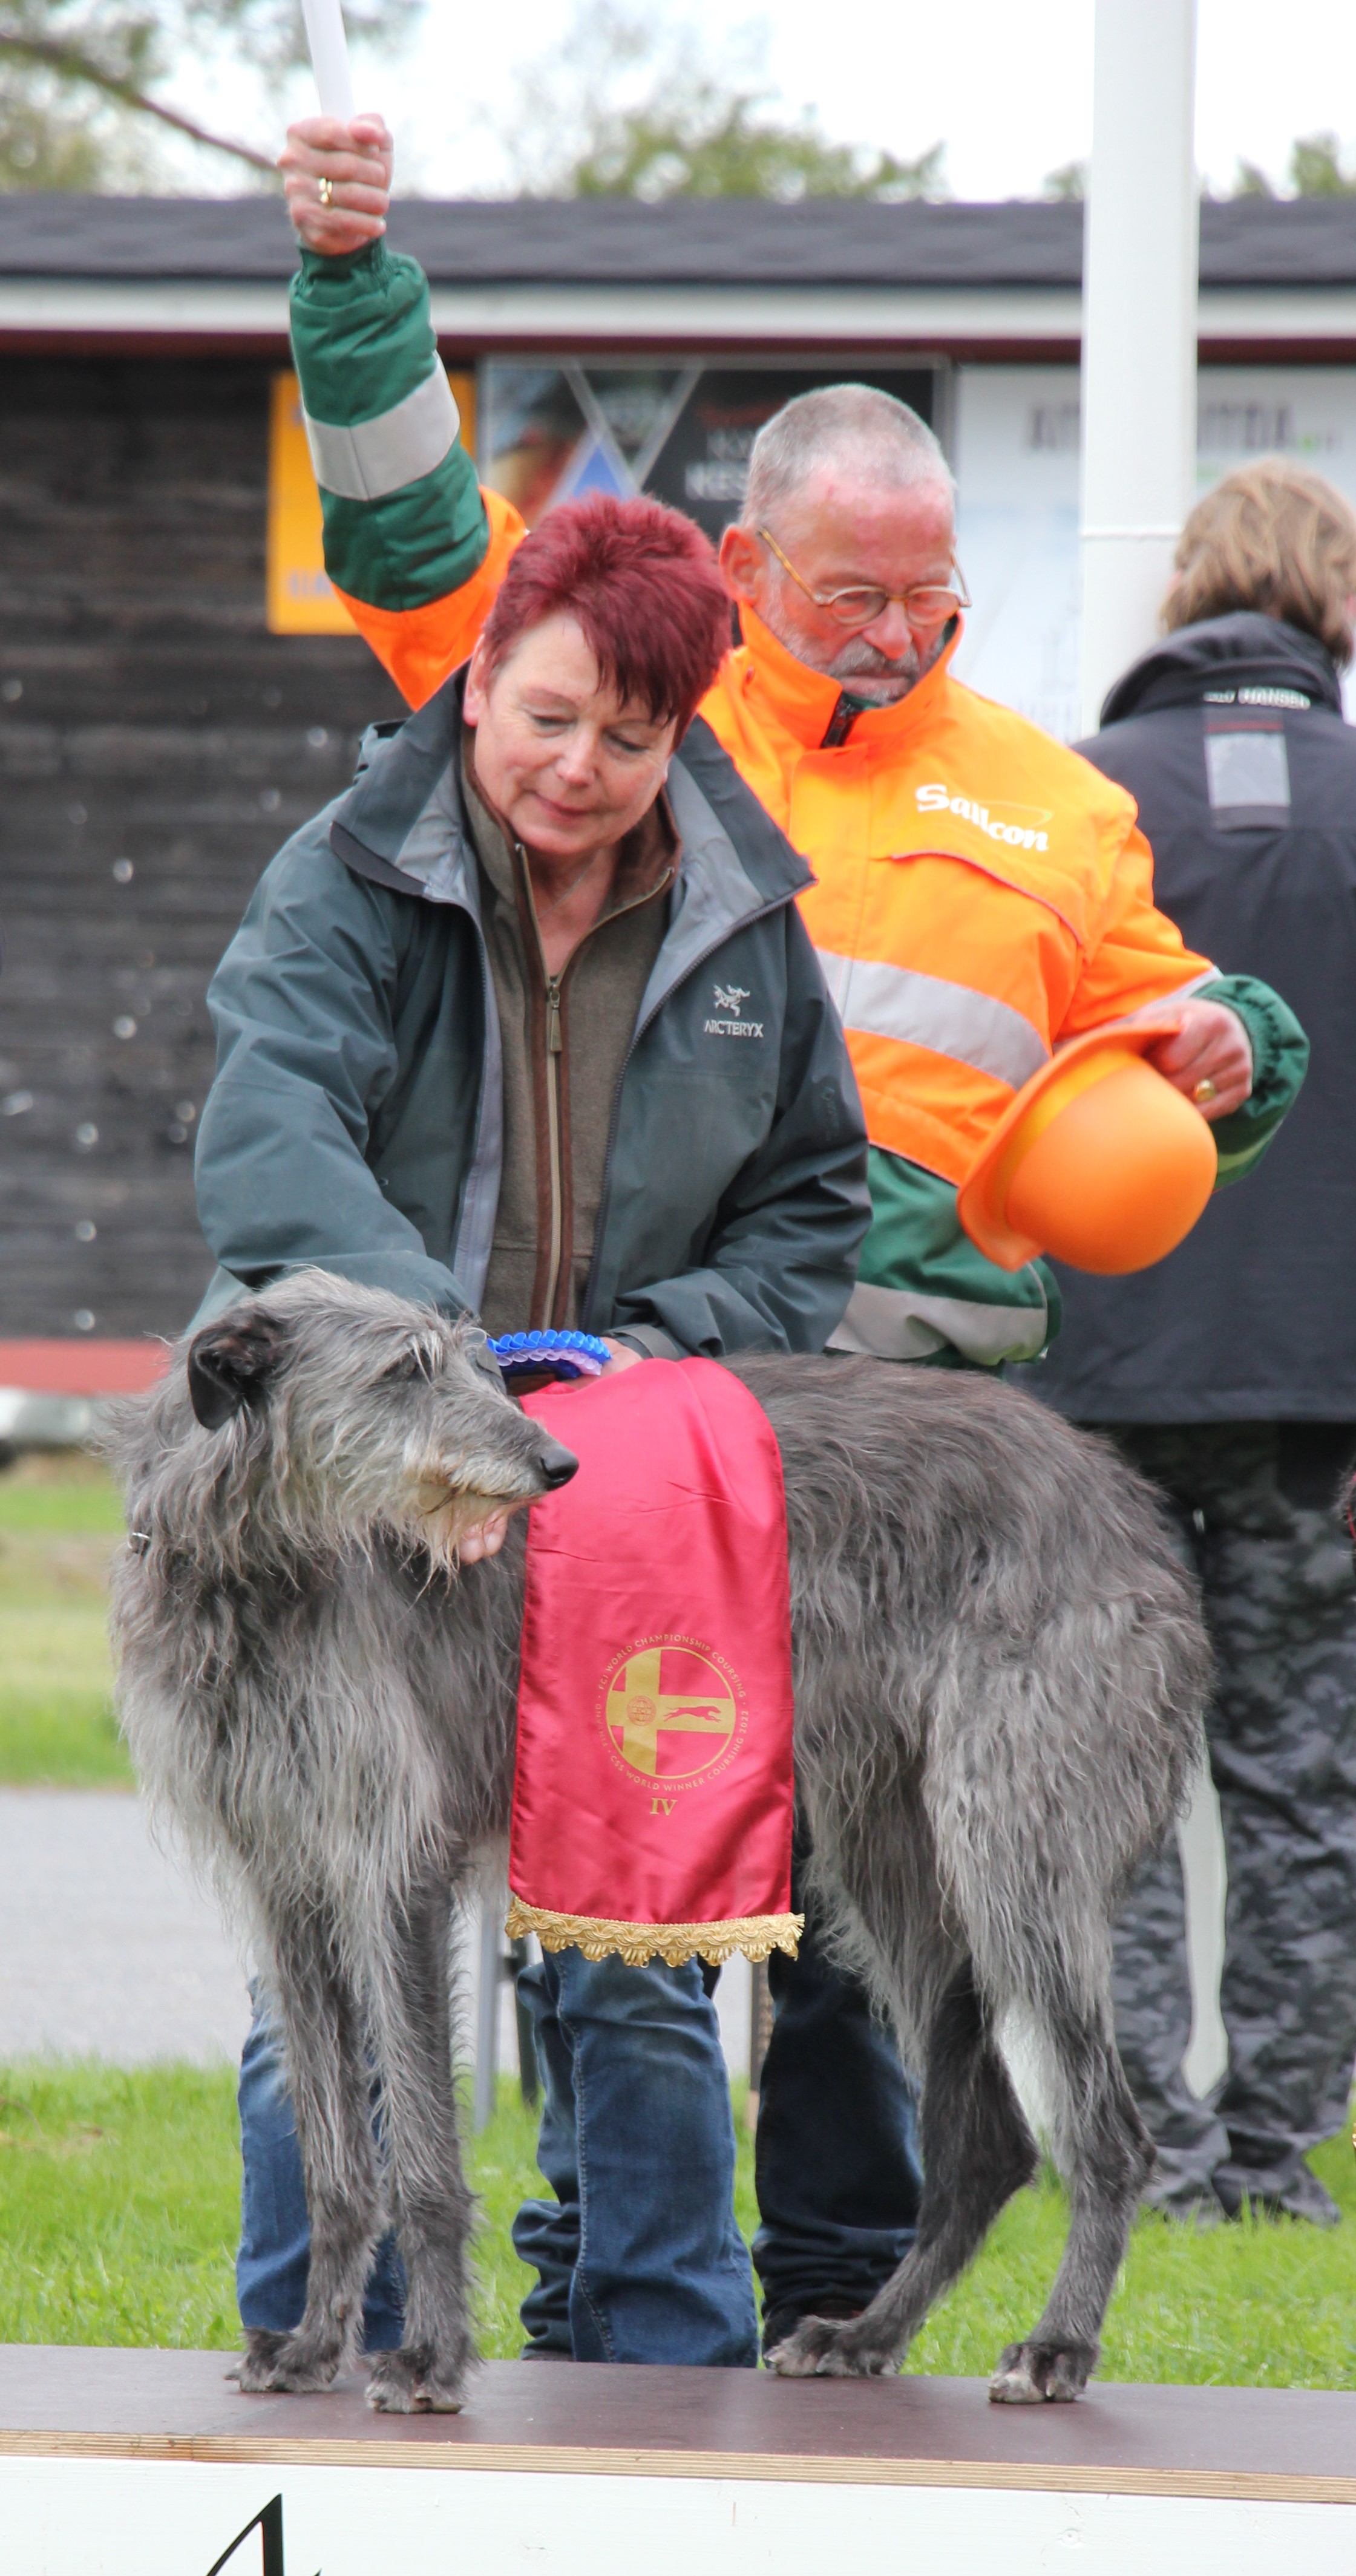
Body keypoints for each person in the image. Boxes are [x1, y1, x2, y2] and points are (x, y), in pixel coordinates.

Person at [273, 114, 1305, 2348]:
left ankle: (844, 2309)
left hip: (913, 1427)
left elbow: (1176, 1023)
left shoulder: (1049, 792)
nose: (904, 629)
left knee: (865, 1933)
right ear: (747, 571)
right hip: (626, 1401)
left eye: (933, 594)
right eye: (858, 593)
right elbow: (411, 539)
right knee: (609, 1852)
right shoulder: (636, 709)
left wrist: (1237, 1040)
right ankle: (595, 2293)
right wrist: (358, 280)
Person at [197, 484, 872, 2372]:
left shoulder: (745, 918)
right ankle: (310, 2354)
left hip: (624, 1477)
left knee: (636, 1949)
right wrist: (442, 1382)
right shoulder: (344, 870)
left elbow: (815, 1197)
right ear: (479, 675)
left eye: (630, 737)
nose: (577, 768)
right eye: (546, 714)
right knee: (327, 1964)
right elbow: (269, 1139)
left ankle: (662, 2367)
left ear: (685, 734)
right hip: (357, 1485)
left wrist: (650, 1359)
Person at [1025, 459, 1356, 2226]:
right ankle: (1282, 2158)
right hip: (1326, 1395)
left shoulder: (1078, 803)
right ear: (1334, 605)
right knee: (1305, 1771)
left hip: (1099, 1384)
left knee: (1118, 1772)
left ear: (1186, 598)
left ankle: (1146, 2149)